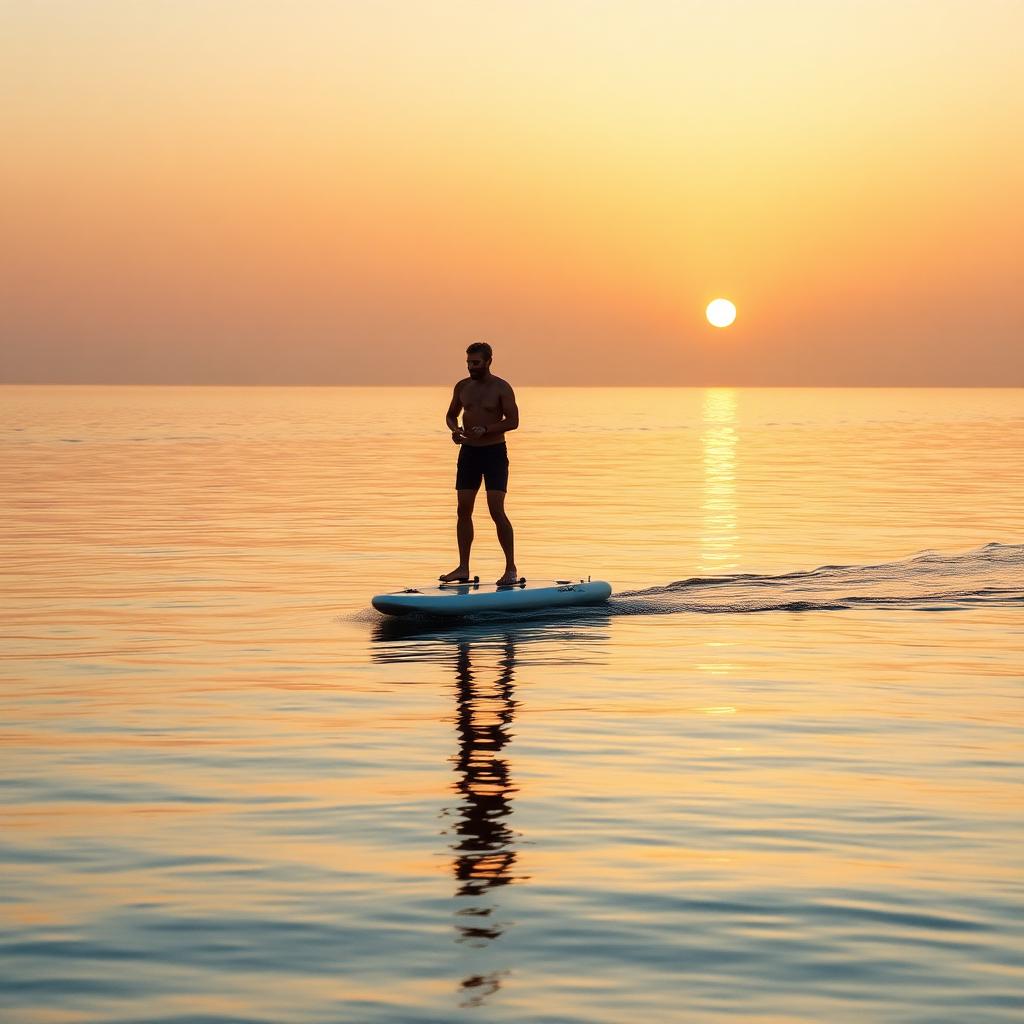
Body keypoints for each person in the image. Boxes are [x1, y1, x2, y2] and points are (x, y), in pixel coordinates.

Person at [441, 342, 520, 586]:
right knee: (463, 510)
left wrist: (486, 429)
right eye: (468, 363)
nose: (470, 367)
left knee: (496, 510)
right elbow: (451, 415)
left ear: (488, 361)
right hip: (469, 454)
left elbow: (514, 421)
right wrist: (455, 431)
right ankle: (463, 568)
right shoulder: (462, 387)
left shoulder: (501, 387)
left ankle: (511, 569)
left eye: (475, 363)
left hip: (494, 453)